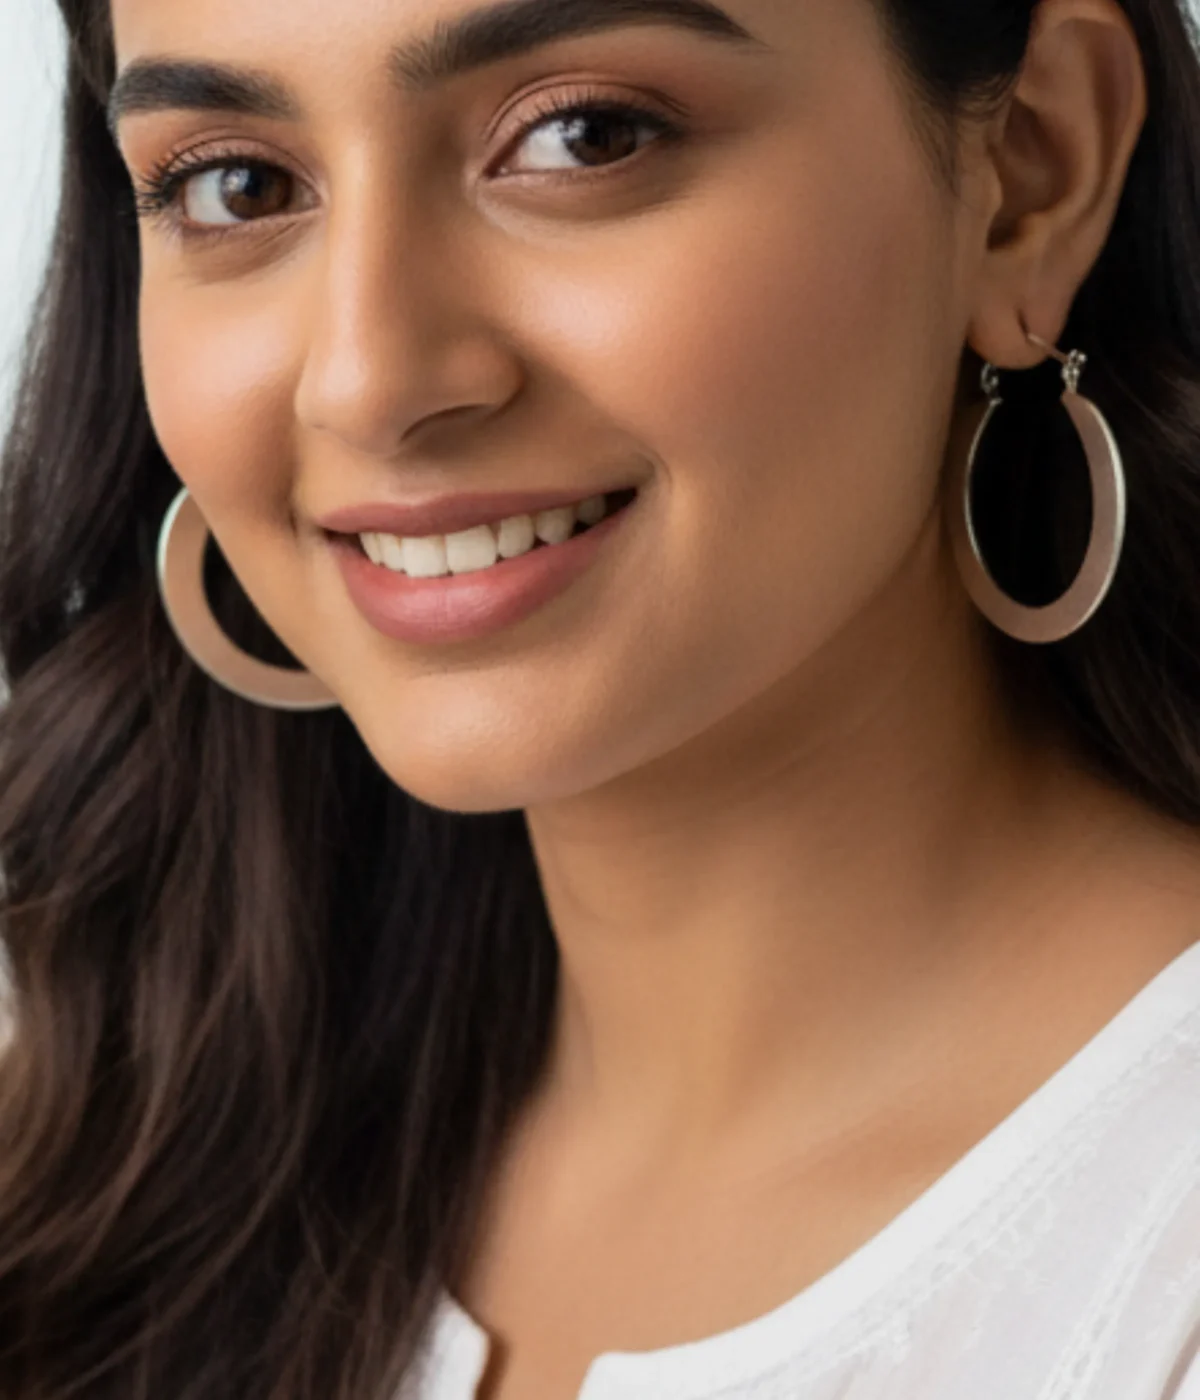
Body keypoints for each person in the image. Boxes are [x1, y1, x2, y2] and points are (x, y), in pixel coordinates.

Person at [3, 0, 1200, 1395]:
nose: (369, 379)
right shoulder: (108, 1149)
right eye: (239, 184)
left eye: (583, 137)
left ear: (1032, 176)